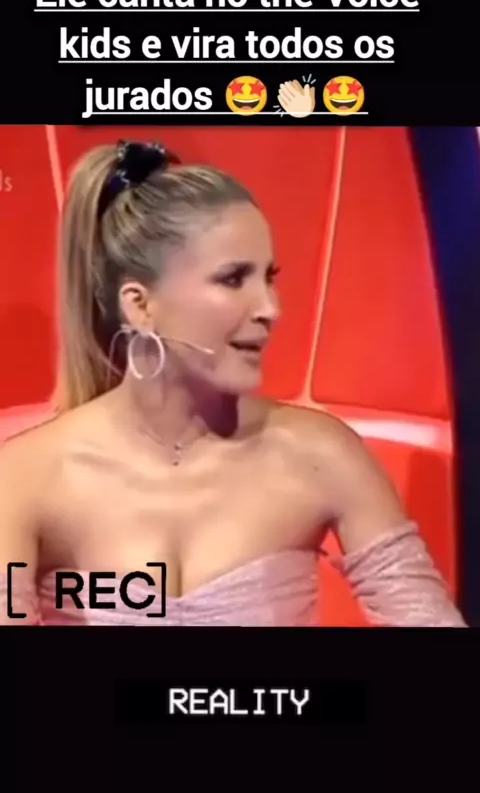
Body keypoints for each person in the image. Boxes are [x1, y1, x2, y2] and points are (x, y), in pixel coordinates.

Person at [0, 140, 466, 627]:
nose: (269, 309)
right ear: (140, 305)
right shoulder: (25, 478)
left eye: (269, 278)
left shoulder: (321, 455)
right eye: (233, 279)